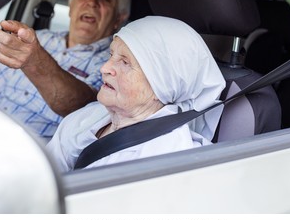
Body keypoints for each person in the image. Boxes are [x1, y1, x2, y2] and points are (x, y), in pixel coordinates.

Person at [0, 0, 131, 141]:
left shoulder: (115, 61)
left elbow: (81, 109)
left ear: (119, 17)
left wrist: (35, 61)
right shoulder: (41, 38)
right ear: (71, 5)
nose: (92, 2)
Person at [46, 16, 226, 172]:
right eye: (111, 55)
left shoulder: (167, 159)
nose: (105, 68)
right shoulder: (87, 116)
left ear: (162, 86)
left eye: (125, 62)